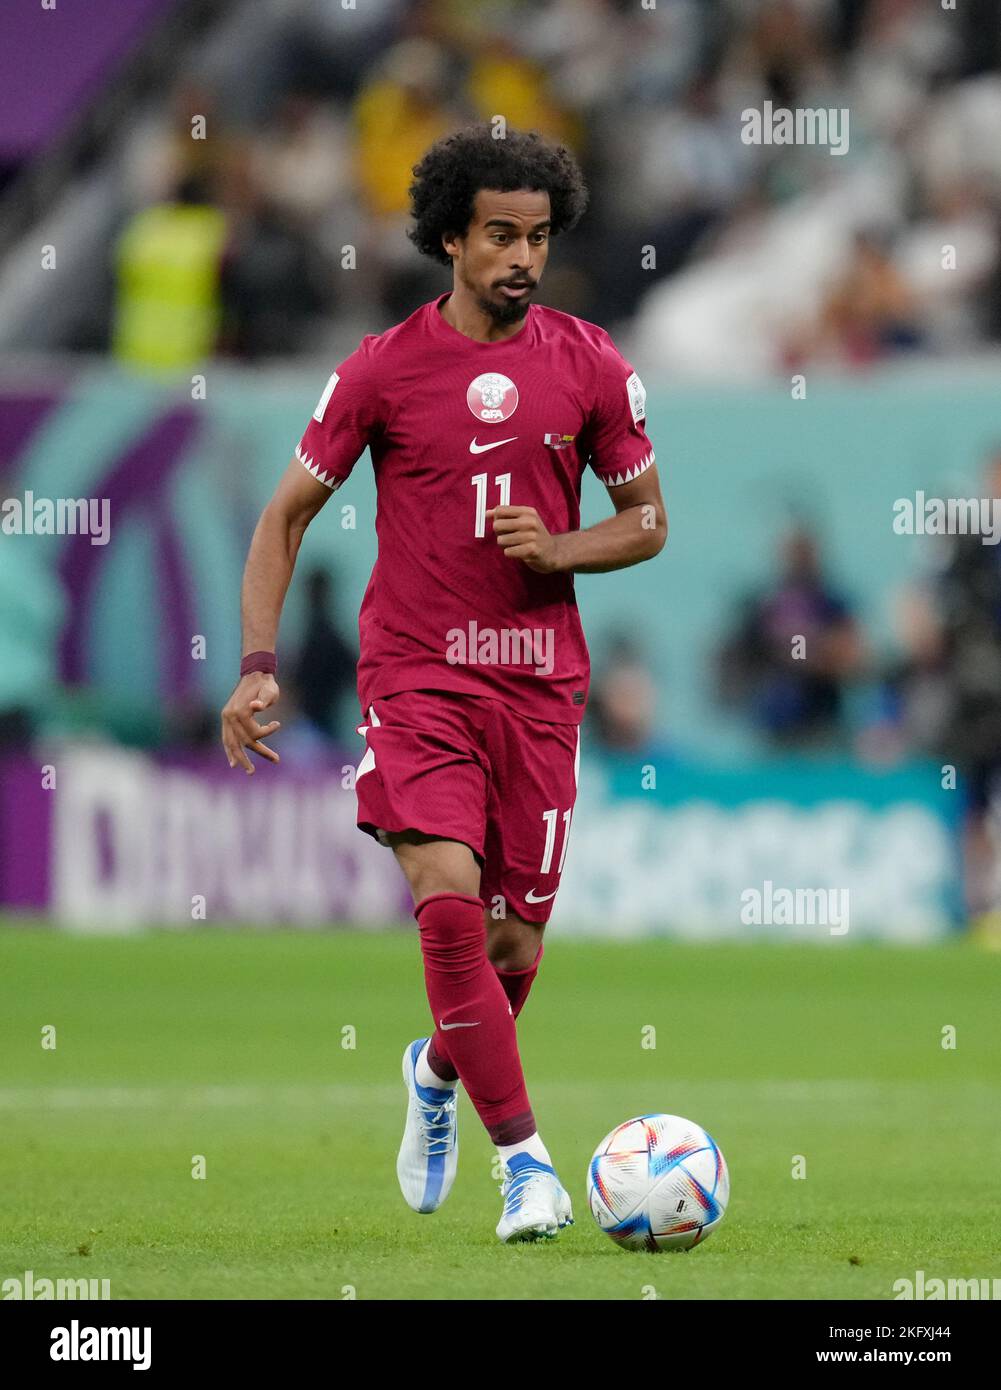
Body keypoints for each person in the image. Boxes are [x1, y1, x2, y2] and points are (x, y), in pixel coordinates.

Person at [220, 124, 667, 1243]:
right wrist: (256, 666)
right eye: (500, 236)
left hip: (537, 688)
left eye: (538, 237)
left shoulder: (592, 364)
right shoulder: (381, 369)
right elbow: (283, 517)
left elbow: (648, 522)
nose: (523, 257)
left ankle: (435, 1068)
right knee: (447, 896)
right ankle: (528, 1165)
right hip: (417, 678)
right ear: (450, 239)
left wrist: (558, 549)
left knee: (513, 947)